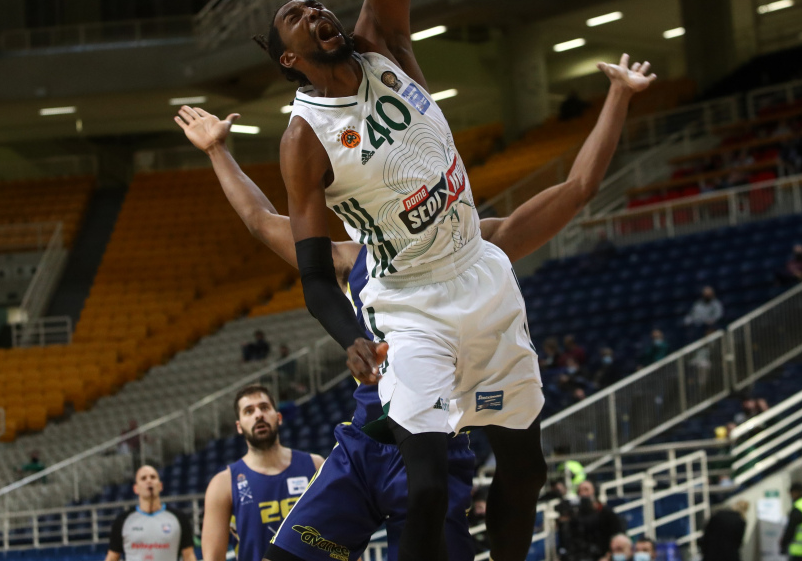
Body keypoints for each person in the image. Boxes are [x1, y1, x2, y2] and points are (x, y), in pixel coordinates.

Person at [258, 0, 657, 554]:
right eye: (297, 17)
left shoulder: (384, 42)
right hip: (409, 304)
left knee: (526, 471)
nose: (315, 13)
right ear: (288, 57)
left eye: (316, 5)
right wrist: (351, 338)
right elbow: (308, 269)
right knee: (425, 488)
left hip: (478, 277)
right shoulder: (305, 139)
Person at [176, 34, 653, 561]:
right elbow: (261, 221)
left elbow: (575, 188)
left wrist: (619, 97)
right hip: (366, 449)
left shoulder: (470, 245)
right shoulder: (347, 257)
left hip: (434, 452)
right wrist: (218, 150)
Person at [201, 385, 324, 561]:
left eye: (264, 407)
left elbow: (343, 533)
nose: (258, 414)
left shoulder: (315, 465)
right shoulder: (223, 484)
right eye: (249, 411)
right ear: (239, 426)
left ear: (279, 417)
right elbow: (213, 558)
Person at [106, 465, 196, 561]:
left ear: (160, 486)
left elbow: (189, 555)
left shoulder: (179, 518)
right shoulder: (123, 521)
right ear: (136, 488)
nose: (149, 481)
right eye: (143, 478)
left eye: (153, 477)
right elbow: (112, 557)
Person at [559, 480, 623, 561]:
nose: (583, 494)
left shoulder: (606, 513)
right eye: (580, 491)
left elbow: (618, 536)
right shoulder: (575, 516)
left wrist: (609, 556)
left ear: (595, 492)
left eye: (586, 489)